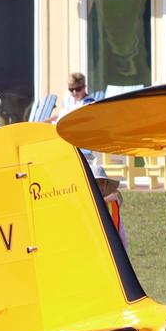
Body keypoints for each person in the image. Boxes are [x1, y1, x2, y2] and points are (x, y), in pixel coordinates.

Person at [55, 73, 123, 234]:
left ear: (84, 87)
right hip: (69, 142)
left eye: (77, 89)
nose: (74, 93)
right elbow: (58, 116)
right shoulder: (71, 103)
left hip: (83, 144)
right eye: (71, 89)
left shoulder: (89, 104)